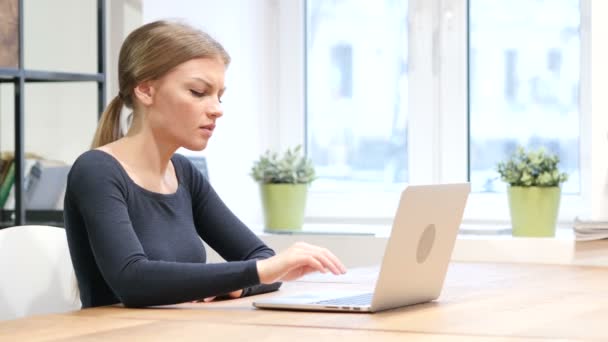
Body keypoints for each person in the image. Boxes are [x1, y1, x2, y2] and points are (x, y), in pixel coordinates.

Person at [63, 20, 346, 309]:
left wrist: (237, 286)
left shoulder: (184, 173)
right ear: (146, 90)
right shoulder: (96, 171)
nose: (217, 109)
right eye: (198, 92)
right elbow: (133, 281)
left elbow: (262, 258)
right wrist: (250, 274)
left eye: (219, 96)